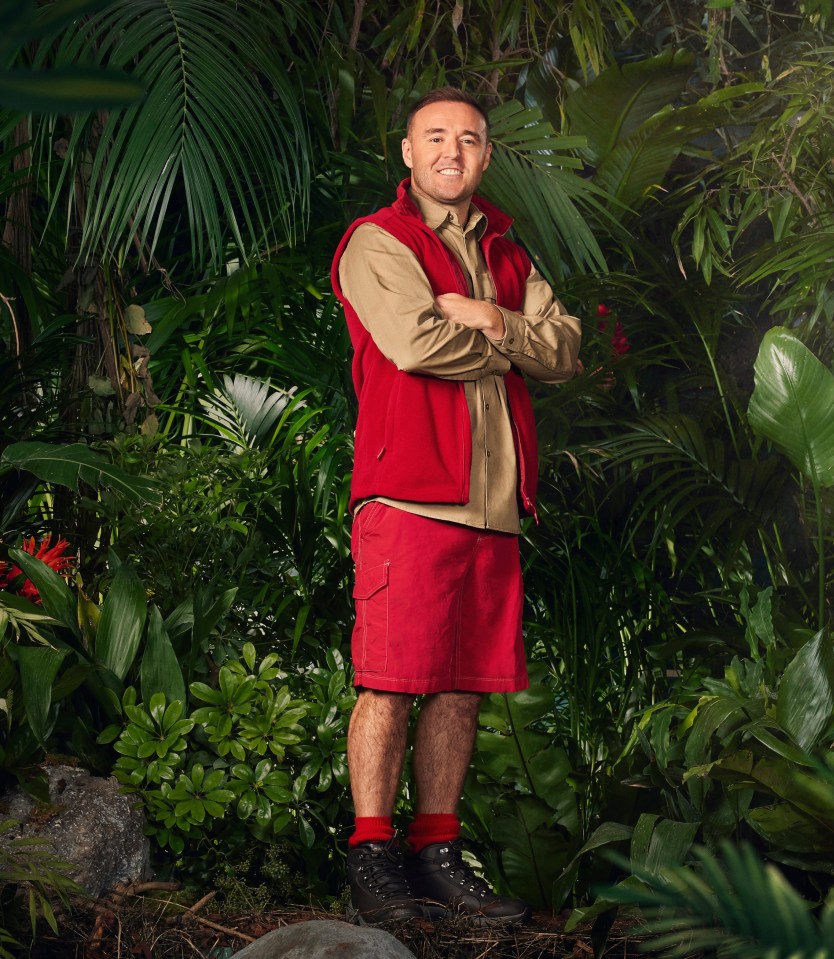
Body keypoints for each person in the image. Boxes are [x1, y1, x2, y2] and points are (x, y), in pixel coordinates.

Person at [330, 87, 582, 925]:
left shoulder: (507, 254)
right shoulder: (378, 240)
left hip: (496, 506)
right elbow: (411, 340)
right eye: (434, 137)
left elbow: (566, 347)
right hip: (409, 494)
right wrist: (514, 342)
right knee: (392, 682)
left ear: (485, 156)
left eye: (468, 139)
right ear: (407, 153)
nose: (452, 150)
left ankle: (436, 854)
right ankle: (373, 856)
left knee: (462, 688)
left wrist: (486, 317)